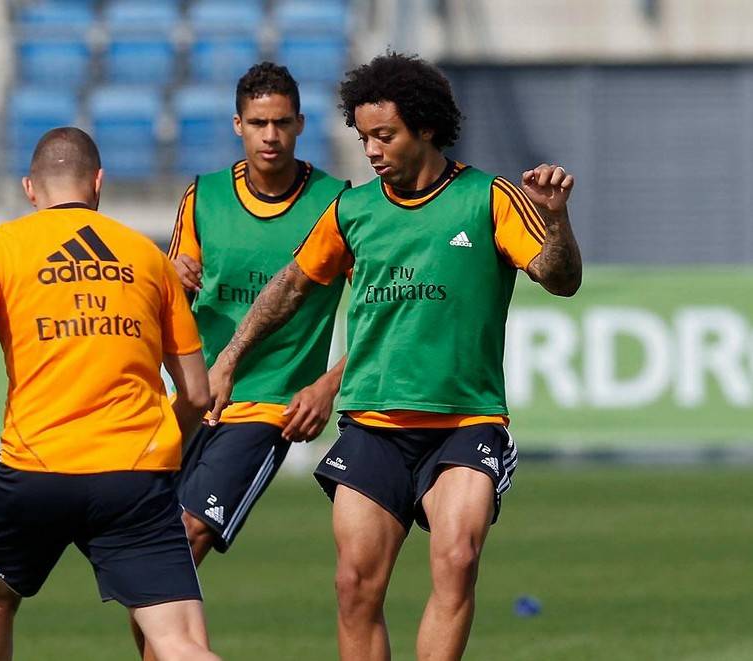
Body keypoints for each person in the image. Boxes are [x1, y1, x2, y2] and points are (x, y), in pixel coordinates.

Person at [206, 52, 583, 661]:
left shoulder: (488, 197)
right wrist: (229, 356)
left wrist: (556, 221)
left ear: (426, 127)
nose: (372, 151)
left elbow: (559, 278)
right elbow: (290, 287)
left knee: (457, 558)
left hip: (464, 422)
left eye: (385, 135)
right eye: (364, 138)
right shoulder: (353, 210)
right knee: (355, 586)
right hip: (373, 425)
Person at [0, 127, 219, 661]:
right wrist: (153, 443)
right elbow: (198, 393)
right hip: (133, 473)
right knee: (179, 642)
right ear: (99, 182)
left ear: (29, 189)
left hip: (34, 469)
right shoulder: (149, 257)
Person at [168, 61, 349, 563]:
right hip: (196, 396)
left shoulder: (336, 203)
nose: (270, 135)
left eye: (282, 122)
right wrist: (169, 278)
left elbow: (382, 314)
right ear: (238, 125)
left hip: (268, 404)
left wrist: (327, 385)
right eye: (258, 123)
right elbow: (170, 308)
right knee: (150, 541)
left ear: (300, 124)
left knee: (189, 532)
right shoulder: (203, 196)